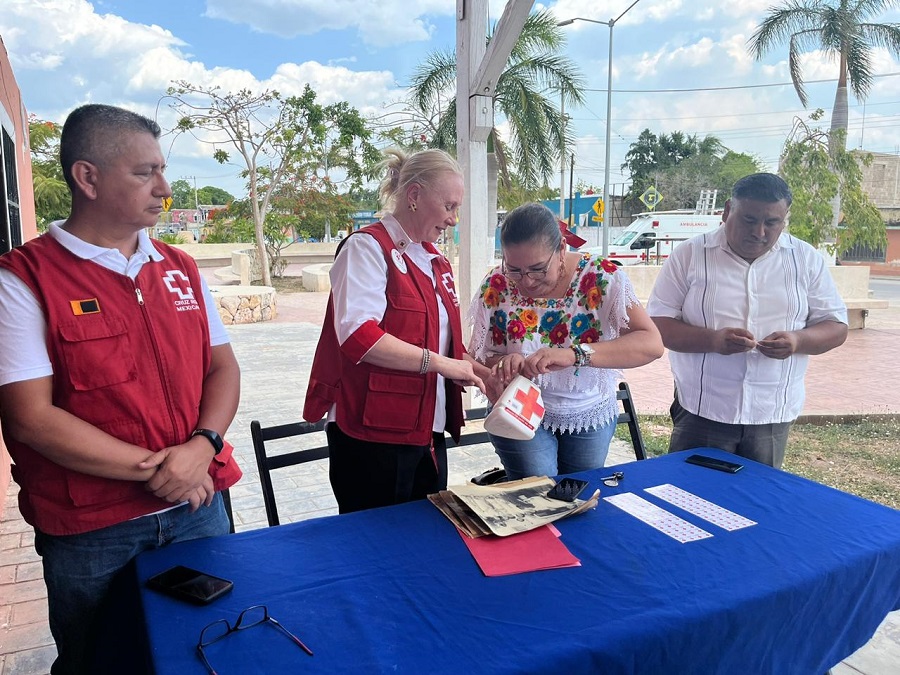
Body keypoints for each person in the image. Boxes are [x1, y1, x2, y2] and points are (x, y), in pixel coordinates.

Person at [0, 104, 242, 674]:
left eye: (162, 170)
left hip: (198, 506)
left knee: (210, 644)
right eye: (144, 173)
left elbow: (223, 369)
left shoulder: (179, 267)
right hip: (92, 527)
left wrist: (203, 446)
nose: (164, 188)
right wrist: (163, 469)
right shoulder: (25, 277)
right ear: (87, 178)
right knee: (99, 659)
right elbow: (30, 418)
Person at [303, 148, 487, 513]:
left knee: (422, 544)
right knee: (373, 549)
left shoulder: (435, 262)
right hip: (372, 434)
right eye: (449, 206)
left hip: (425, 430)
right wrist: (444, 366)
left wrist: (480, 371)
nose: (453, 219)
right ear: (415, 195)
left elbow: (442, 343)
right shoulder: (367, 249)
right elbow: (358, 337)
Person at [646, 172, 848, 468]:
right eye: (749, 220)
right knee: (690, 498)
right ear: (727, 211)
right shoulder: (690, 255)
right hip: (703, 411)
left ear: (785, 218)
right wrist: (713, 341)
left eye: (772, 223)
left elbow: (836, 327)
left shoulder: (805, 259)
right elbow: (657, 326)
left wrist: (797, 340)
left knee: (758, 504)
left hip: (771, 414)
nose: (760, 232)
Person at [468, 202, 664, 480]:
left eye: (537, 269)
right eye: (514, 269)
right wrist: (503, 363)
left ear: (561, 249)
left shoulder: (601, 277)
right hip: (517, 408)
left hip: (587, 410)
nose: (527, 282)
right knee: (538, 490)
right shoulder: (497, 283)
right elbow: (477, 356)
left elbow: (651, 344)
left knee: (577, 493)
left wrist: (575, 354)